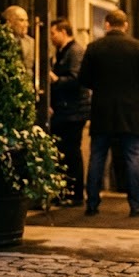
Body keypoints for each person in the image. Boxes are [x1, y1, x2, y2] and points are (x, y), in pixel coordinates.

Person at [78, 9, 139, 217]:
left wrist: (101, 84)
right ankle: (136, 205)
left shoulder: (94, 48)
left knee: (97, 157)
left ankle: (92, 204)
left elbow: (83, 79)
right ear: (126, 25)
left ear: (107, 25)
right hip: (130, 112)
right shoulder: (138, 48)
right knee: (132, 157)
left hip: (102, 110)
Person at [48, 18, 91, 206]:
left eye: (53, 33)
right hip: (65, 110)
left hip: (73, 111)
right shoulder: (62, 52)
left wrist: (55, 79)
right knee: (64, 151)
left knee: (71, 151)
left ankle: (74, 194)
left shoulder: (75, 52)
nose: (51, 37)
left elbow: (76, 80)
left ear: (63, 32)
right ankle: (66, 191)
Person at [2, 5, 35, 75]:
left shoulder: (31, 42)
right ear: (9, 22)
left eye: (27, 20)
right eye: (21, 20)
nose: (27, 24)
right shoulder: (1, 40)